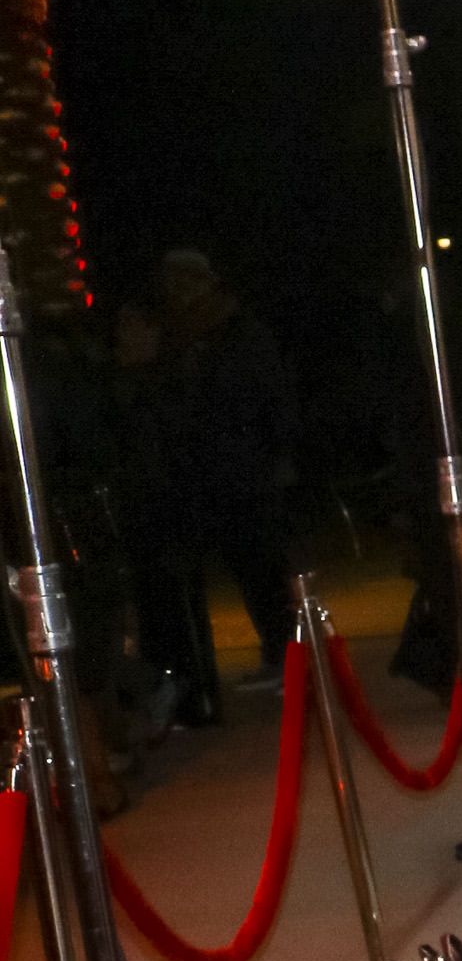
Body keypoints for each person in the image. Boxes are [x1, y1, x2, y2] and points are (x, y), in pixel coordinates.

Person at [154, 251, 296, 717]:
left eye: (186, 282)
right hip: (217, 470)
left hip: (250, 468)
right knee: (246, 567)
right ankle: (276, 653)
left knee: (265, 567)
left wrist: (277, 455)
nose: (179, 293)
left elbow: (271, 397)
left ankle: (290, 656)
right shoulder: (187, 338)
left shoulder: (241, 334)